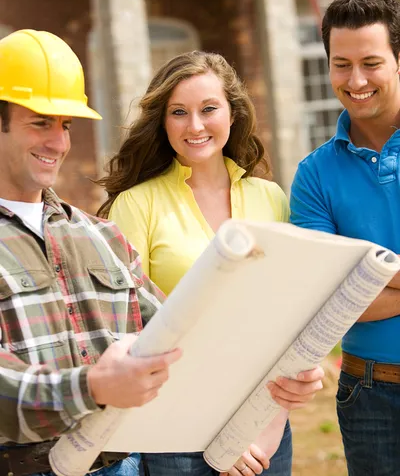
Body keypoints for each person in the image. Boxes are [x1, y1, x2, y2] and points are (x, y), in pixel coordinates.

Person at [98, 51, 325, 476]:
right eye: (179, 112)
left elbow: (286, 317)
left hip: (265, 428)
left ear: (233, 113)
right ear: (162, 122)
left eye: (208, 109)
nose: (195, 126)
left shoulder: (270, 197)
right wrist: (221, 438)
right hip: (176, 434)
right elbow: (133, 337)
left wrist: (266, 425)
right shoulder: (135, 206)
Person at [0, 29, 182, 476]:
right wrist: (95, 385)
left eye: (65, 126)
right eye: (41, 122)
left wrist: (268, 372)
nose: (59, 144)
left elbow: (180, 332)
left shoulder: (103, 237)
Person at [290, 0, 400, 476]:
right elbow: (326, 304)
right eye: (341, 63)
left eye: (371, 62)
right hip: (368, 392)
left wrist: (372, 279)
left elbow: (352, 292)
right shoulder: (314, 175)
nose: (355, 80)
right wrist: (346, 292)